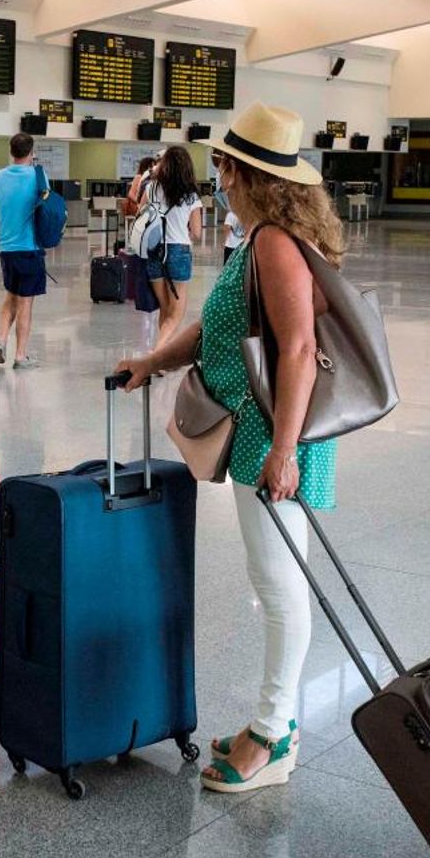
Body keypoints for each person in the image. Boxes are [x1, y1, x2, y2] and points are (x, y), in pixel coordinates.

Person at [116, 101, 342, 794]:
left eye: (222, 166)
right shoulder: (261, 238)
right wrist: (151, 362)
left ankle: (275, 736)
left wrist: (283, 450)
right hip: (264, 428)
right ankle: (270, 725)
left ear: (243, 172)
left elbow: (300, 348)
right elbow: (220, 331)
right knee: (274, 578)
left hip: (273, 432)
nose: (217, 177)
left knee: (278, 586)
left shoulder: (274, 243)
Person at [0, 132, 48, 370]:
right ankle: (20, 356)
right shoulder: (37, 176)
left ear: (11, 151)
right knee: (25, 303)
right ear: (31, 152)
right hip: (29, 247)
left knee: (10, 296)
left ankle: (1, 340)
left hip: (5, 247)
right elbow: (46, 211)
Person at [142, 146, 204, 351]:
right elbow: (196, 232)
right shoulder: (191, 196)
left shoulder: (151, 188)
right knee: (176, 314)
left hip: (154, 250)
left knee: (165, 310)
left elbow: (141, 211)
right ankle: (157, 355)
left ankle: (160, 357)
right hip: (178, 250)